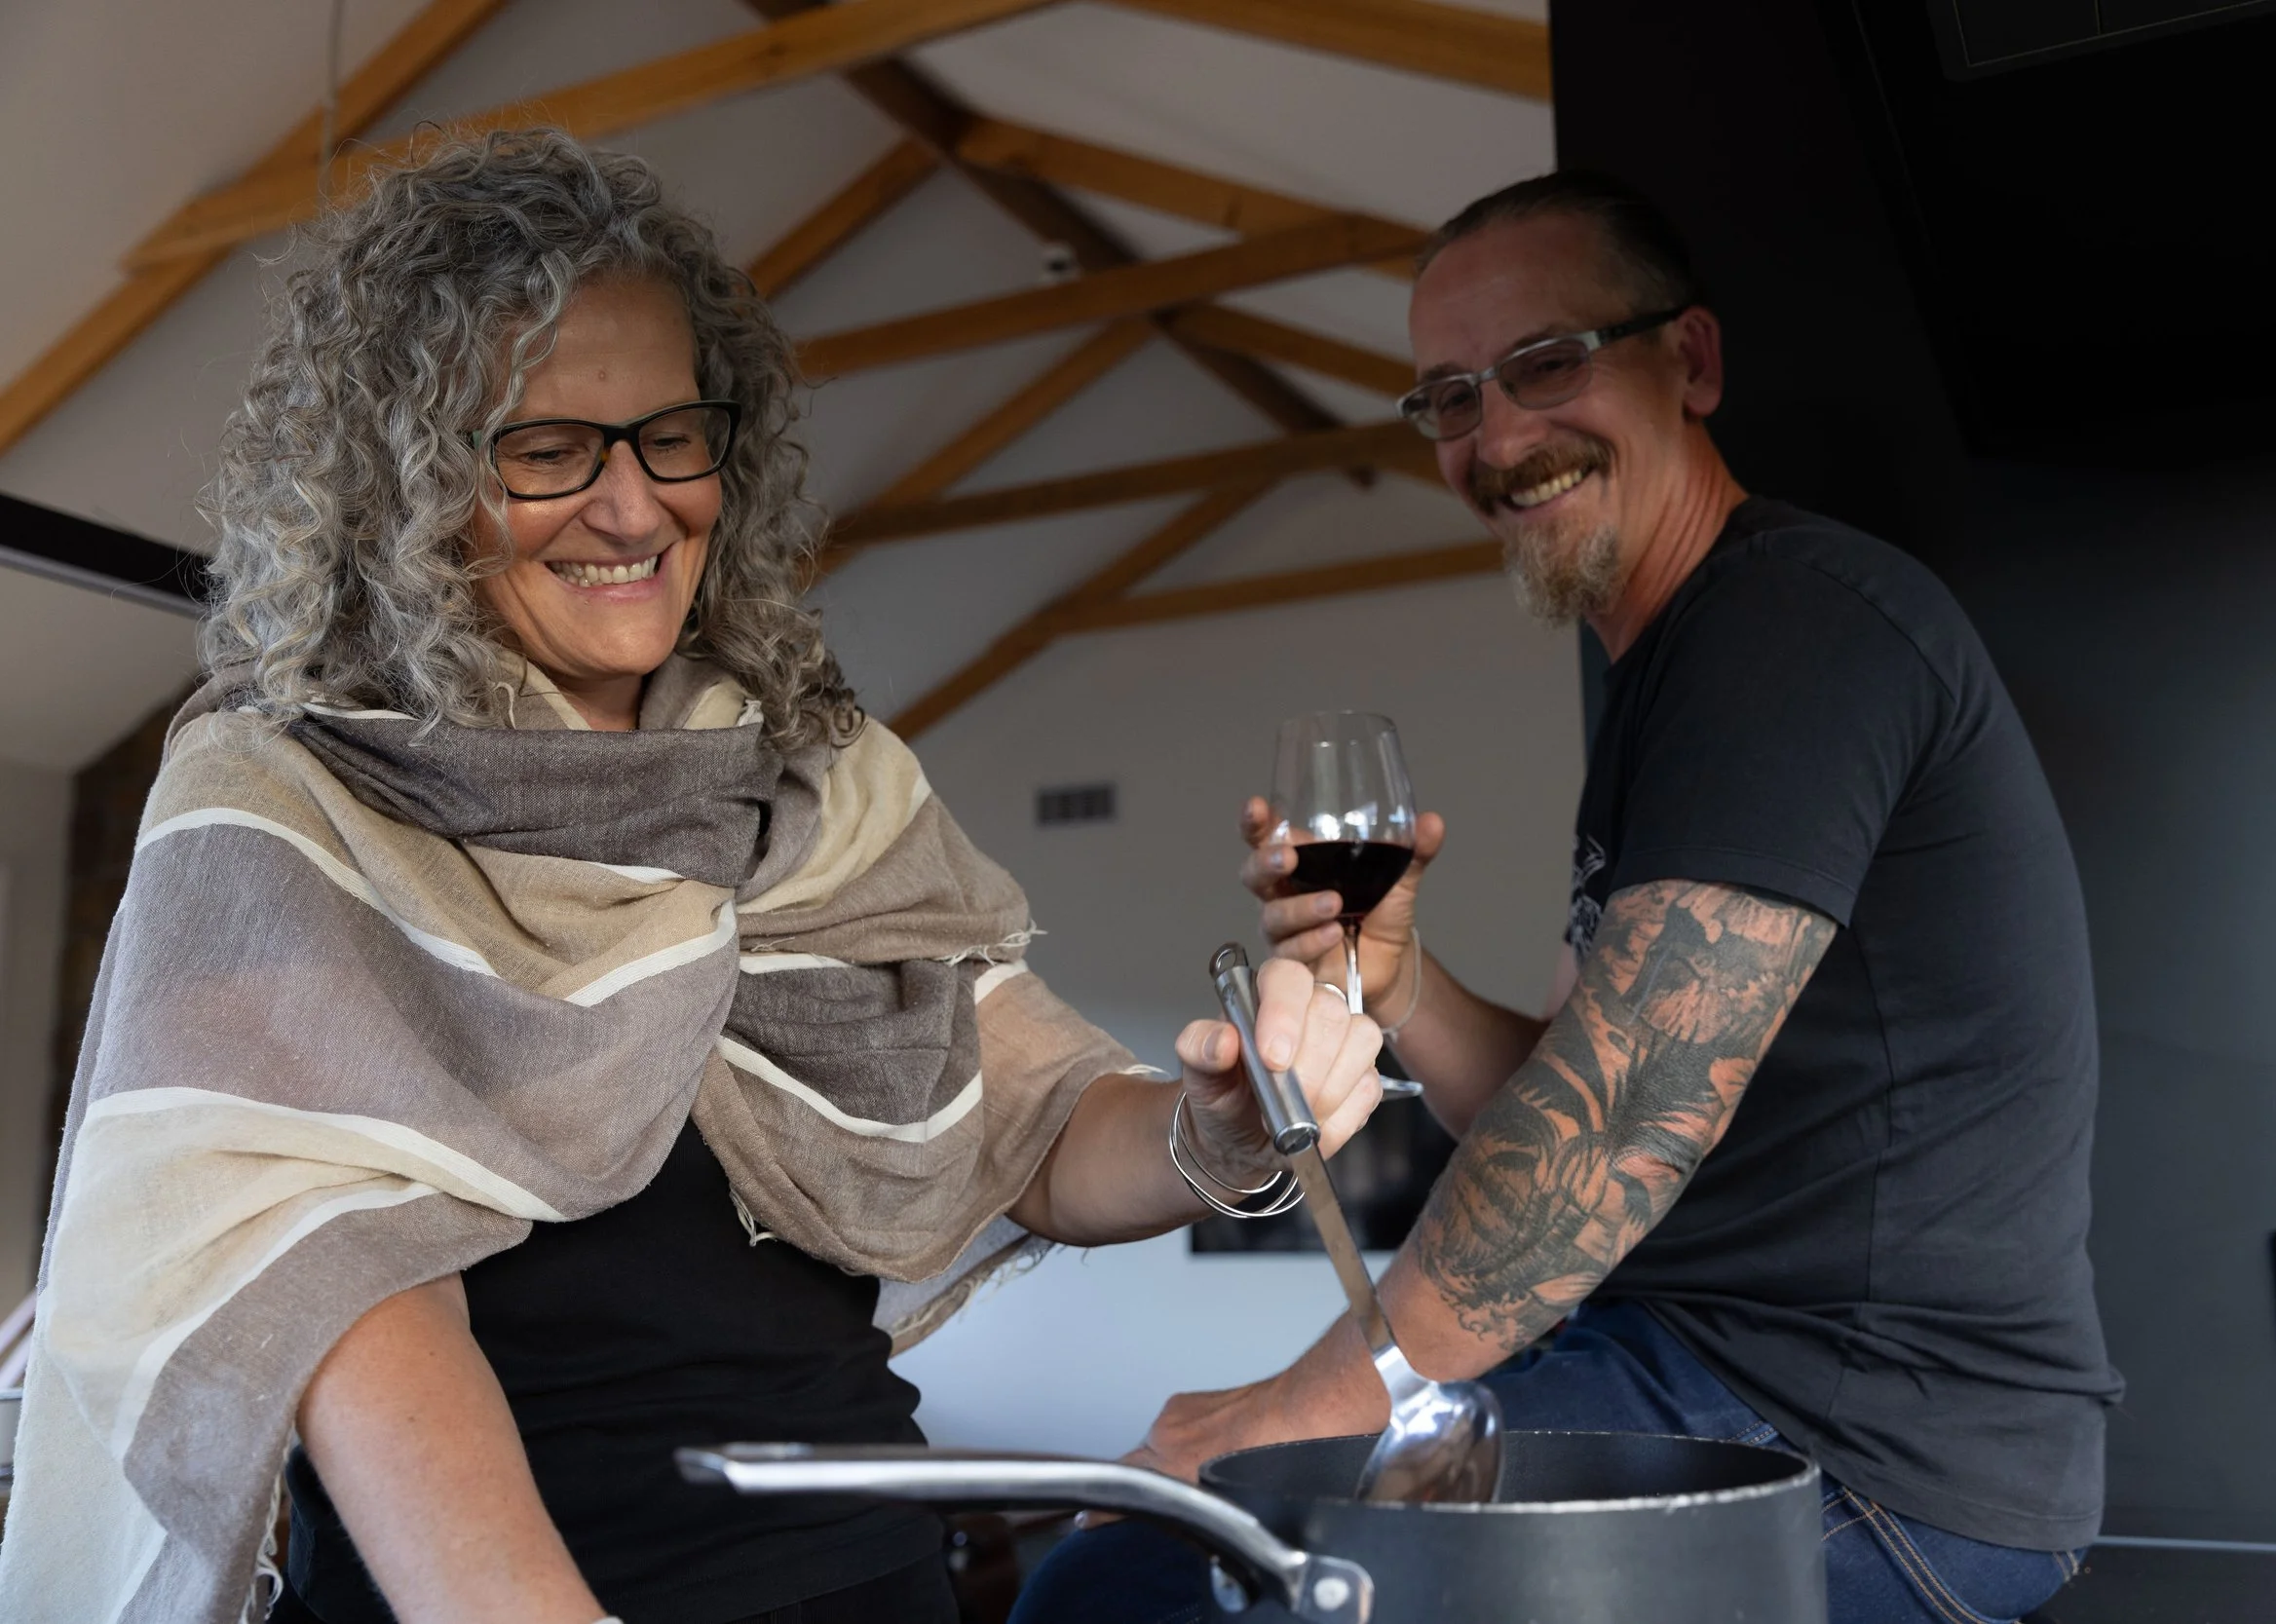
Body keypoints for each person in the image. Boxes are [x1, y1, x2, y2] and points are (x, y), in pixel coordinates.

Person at [0, 131, 1385, 1624]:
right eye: (546, 449)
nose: (632, 504)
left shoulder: (816, 776)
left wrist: (1218, 1124)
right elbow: (327, 1262)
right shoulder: (296, 798)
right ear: (401, 484)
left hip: (857, 1581)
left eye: (675, 435)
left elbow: (1038, 1131)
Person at [1015, 172, 2121, 1624]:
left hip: (1867, 1450)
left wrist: (1298, 1410)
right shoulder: (1666, 670)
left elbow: (1604, 1137)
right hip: (1695, 1369)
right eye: (1451, 400)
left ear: (1693, 363)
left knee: (1128, 1588)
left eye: (1548, 364)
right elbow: (1549, 1094)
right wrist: (1400, 980)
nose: (1501, 435)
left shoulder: (1790, 634)